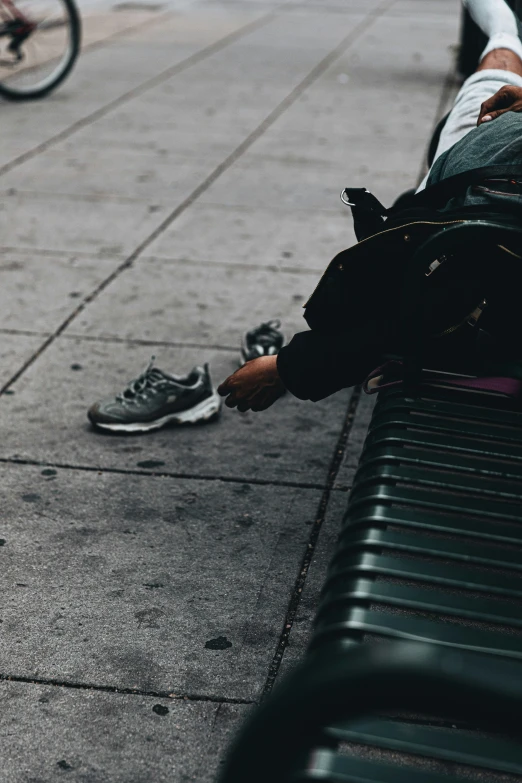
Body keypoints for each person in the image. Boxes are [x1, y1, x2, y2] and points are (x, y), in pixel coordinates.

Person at [218, 0, 522, 413]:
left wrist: (291, 367)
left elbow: (439, 279)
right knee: (495, 78)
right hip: (485, 166)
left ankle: (503, 26)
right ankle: (502, 29)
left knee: (495, 71)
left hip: (476, 181)